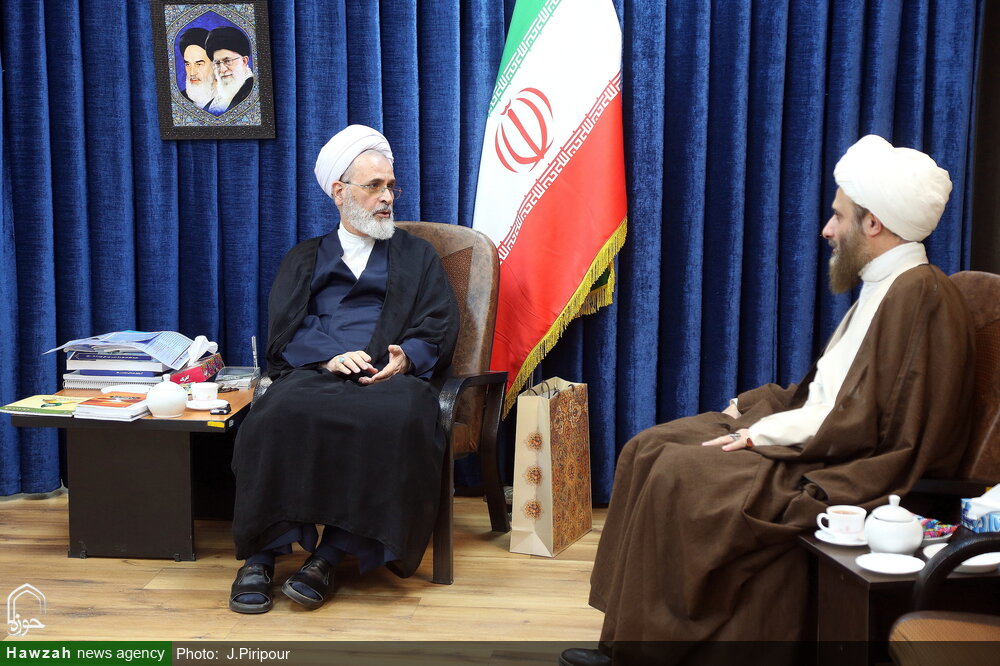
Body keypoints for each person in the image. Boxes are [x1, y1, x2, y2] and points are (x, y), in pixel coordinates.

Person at [560, 135, 975, 666]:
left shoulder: (917, 293)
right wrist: (759, 406)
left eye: (838, 216)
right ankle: (624, 640)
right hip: (825, 436)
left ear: (874, 224)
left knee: (682, 475)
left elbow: (866, 422)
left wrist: (760, 434)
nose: (827, 230)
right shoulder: (889, 282)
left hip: (854, 464)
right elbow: (835, 391)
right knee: (647, 447)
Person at [228, 125, 460, 614]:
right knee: (272, 414)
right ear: (339, 192)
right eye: (373, 186)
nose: (387, 197)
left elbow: (437, 322)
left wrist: (406, 356)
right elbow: (285, 328)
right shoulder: (304, 257)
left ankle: (330, 556)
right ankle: (260, 555)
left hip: (388, 379)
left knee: (399, 416)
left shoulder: (417, 255)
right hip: (316, 372)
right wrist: (327, 356)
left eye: (391, 186)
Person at [204, 26, 255, 115]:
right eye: (217, 63)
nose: (222, 69)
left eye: (227, 61)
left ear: (244, 61)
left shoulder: (255, 93)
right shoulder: (211, 105)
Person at [177, 27, 215, 109]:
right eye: (188, 64)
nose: (192, 73)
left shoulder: (233, 99)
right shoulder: (179, 100)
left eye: (199, 64)